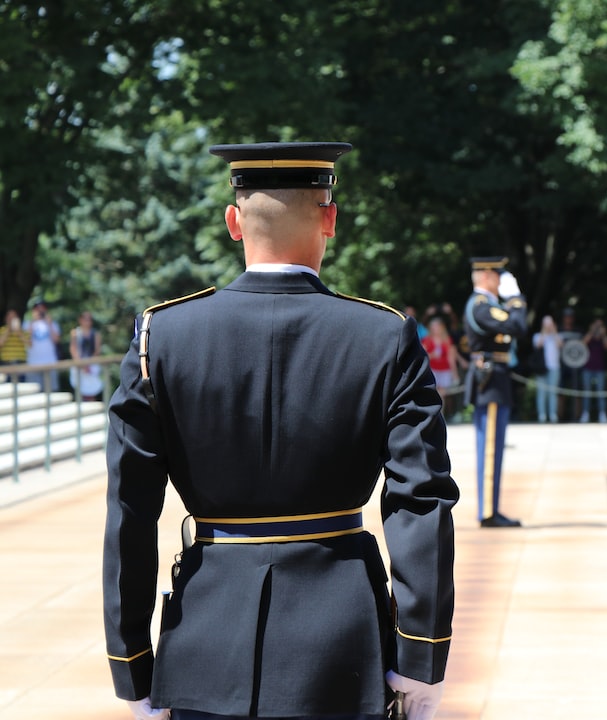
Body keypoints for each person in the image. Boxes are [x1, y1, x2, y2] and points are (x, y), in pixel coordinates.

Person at [103, 141, 458, 720]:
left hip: (203, 643)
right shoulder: (385, 336)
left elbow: (129, 510)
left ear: (233, 224)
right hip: (344, 646)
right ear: (331, 218)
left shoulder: (160, 336)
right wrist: (421, 653)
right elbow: (421, 500)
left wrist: (133, 663)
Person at [463, 255, 527, 528]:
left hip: (495, 381)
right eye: (499, 275)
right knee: (490, 449)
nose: (502, 280)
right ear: (487, 276)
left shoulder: (488, 304)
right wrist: (516, 300)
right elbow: (517, 325)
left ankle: (491, 508)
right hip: (490, 383)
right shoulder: (481, 305)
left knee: (495, 448)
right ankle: (488, 511)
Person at [421, 315, 460, 415]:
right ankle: (434, 413)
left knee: (442, 393)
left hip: (444, 370)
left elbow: (451, 358)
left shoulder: (447, 340)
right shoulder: (427, 340)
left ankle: (440, 414)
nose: (436, 329)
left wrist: (455, 374)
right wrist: (432, 355)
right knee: (434, 392)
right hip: (432, 370)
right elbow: (421, 356)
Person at [579, 317, 607, 423]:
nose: (598, 328)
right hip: (587, 368)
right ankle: (585, 414)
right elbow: (582, 343)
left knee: (601, 393)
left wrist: (604, 334)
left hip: (600, 369)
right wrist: (592, 331)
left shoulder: (602, 337)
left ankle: (602, 414)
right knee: (587, 393)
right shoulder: (589, 336)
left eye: (600, 325)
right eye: (596, 325)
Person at [532, 314, 562, 423]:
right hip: (541, 369)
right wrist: (544, 332)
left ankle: (553, 415)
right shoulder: (537, 336)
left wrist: (554, 332)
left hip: (554, 367)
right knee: (541, 392)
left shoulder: (557, 336)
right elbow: (538, 345)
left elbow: (561, 345)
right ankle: (542, 415)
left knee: (553, 393)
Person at [24, 300, 60, 391]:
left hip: (50, 363)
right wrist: (32, 322)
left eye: (42, 309)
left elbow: (56, 340)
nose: (40, 311)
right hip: (33, 364)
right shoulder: (27, 325)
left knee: (51, 391)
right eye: (37, 309)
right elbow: (28, 343)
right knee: (34, 392)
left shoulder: (53, 324)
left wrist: (49, 324)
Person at [69, 310, 104, 401]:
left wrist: (89, 364)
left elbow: (97, 350)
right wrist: (81, 364)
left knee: (91, 389)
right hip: (79, 364)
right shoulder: (75, 333)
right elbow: (73, 349)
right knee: (80, 389)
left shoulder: (95, 334)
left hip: (91, 364)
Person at [557, 307, 583, 422]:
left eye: (570, 316)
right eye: (567, 316)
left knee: (577, 392)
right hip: (561, 364)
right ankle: (559, 416)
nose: (569, 319)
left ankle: (577, 416)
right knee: (560, 393)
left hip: (576, 364)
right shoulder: (558, 329)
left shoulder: (578, 330)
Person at [0, 309, 29, 383]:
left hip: (20, 362)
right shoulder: (1, 330)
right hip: (7, 363)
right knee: (8, 385)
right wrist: (8, 330)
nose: (11, 320)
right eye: (10, 318)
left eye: (13, 317)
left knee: (22, 385)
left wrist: (19, 333)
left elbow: (29, 344)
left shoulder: (23, 331)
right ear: (6, 319)